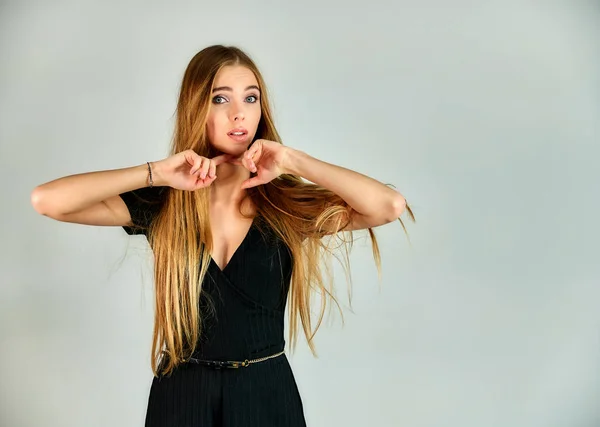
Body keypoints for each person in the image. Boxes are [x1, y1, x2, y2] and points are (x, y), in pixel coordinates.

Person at [31, 44, 415, 426]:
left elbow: (388, 206)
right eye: (220, 99)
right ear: (197, 108)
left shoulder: (285, 204)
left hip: (266, 393)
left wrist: (293, 161)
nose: (238, 113)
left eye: (251, 98)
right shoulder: (166, 203)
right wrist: (157, 173)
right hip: (182, 396)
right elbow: (48, 200)